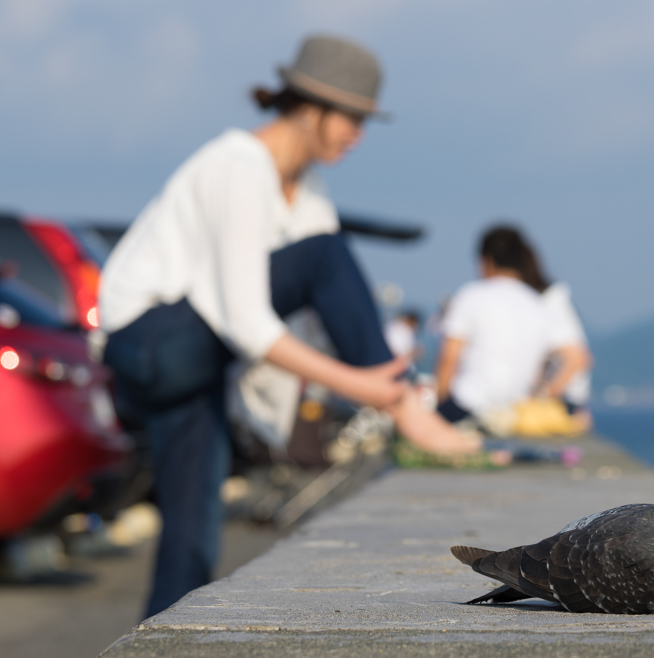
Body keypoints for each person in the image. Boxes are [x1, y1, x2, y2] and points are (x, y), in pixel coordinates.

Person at [98, 35, 487, 617]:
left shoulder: (307, 191)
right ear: (309, 107)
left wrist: (364, 381)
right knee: (324, 252)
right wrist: (377, 393)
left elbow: (328, 315)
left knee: (193, 536)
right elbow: (248, 322)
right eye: (352, 117)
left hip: (199, 361)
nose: (358, 134)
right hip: (148, 342)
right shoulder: (237, 167)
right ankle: (407, 409)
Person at [435, 226, 557, 422]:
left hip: (468, 407)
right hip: (515, 414)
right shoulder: (538, 304)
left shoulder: (472, 295)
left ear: (487, 260)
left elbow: (449, 359)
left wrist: (438, 409)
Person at [518, 238, 593, 419]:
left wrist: (543, 397)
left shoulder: (549, 303)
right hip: (561, 401)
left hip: (563, 402)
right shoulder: (547, 301)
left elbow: (579, 359)